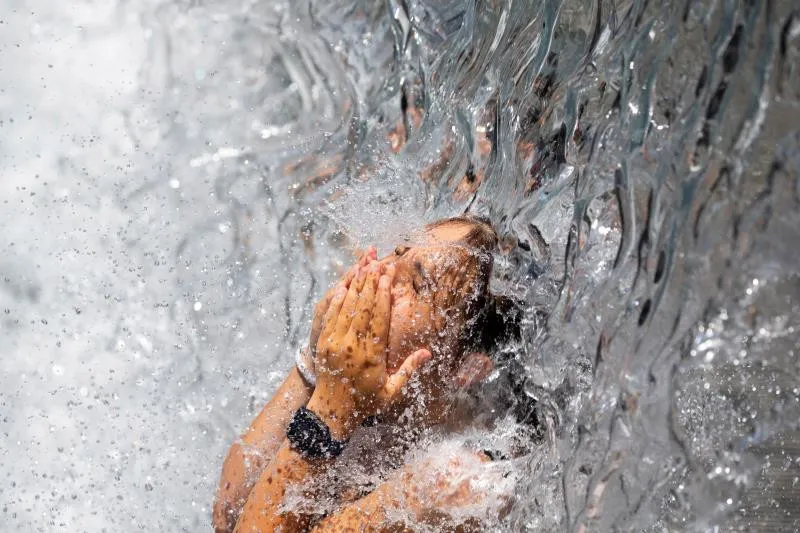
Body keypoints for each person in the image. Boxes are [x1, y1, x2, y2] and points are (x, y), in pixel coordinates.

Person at [213, 215, 528, 532]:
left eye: (417, 285)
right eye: (399, 253)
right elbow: (228, 514)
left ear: (466, 367)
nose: (382, 273)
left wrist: (331, 410)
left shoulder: (453, 481)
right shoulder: (364, 393)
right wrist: (314, 367)